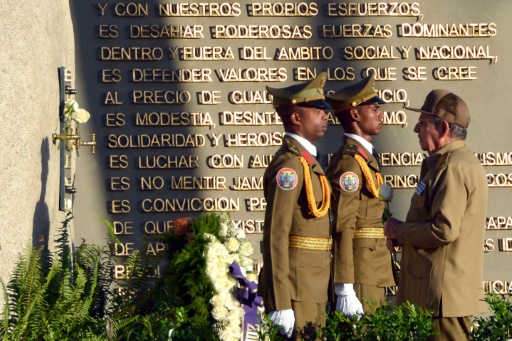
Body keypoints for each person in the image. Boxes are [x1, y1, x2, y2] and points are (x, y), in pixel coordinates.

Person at [384, 90, 488, 340]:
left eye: (422, 123)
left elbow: (444, 230)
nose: (416, 130)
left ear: (442, 127)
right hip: (437, 298)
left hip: (442, 301)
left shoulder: (452, 167)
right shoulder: (448, 163)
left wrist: (401, 230)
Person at [258, 72, 332, 338]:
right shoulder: (290, 165)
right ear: (296, 117)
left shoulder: (307, 160)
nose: (325, 115)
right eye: (317, 110)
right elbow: (276, 233)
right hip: (296, 289)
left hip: (312, 285)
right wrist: (280, 302)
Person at [324, 72, 395, 316]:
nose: (380, 115)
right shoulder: (349, 163)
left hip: (374, 266)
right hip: (360, 271)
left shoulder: (366, 157)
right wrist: (345, 286)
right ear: (355, 114)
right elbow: (343, 224)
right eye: (374, 109)